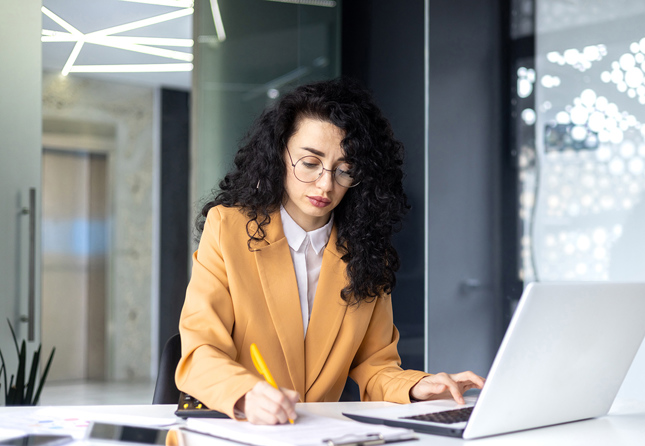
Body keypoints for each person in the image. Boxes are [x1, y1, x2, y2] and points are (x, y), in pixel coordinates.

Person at [175, 78, 485, 425]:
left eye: (345, 170)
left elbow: (375, 365)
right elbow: (200, 352)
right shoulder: (228, 229)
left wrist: (417, 385)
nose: (326, 185)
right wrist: (246, 394)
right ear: (280, 154)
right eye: (310, 163)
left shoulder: (366, 253)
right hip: (245, 432)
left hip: (320, 438)